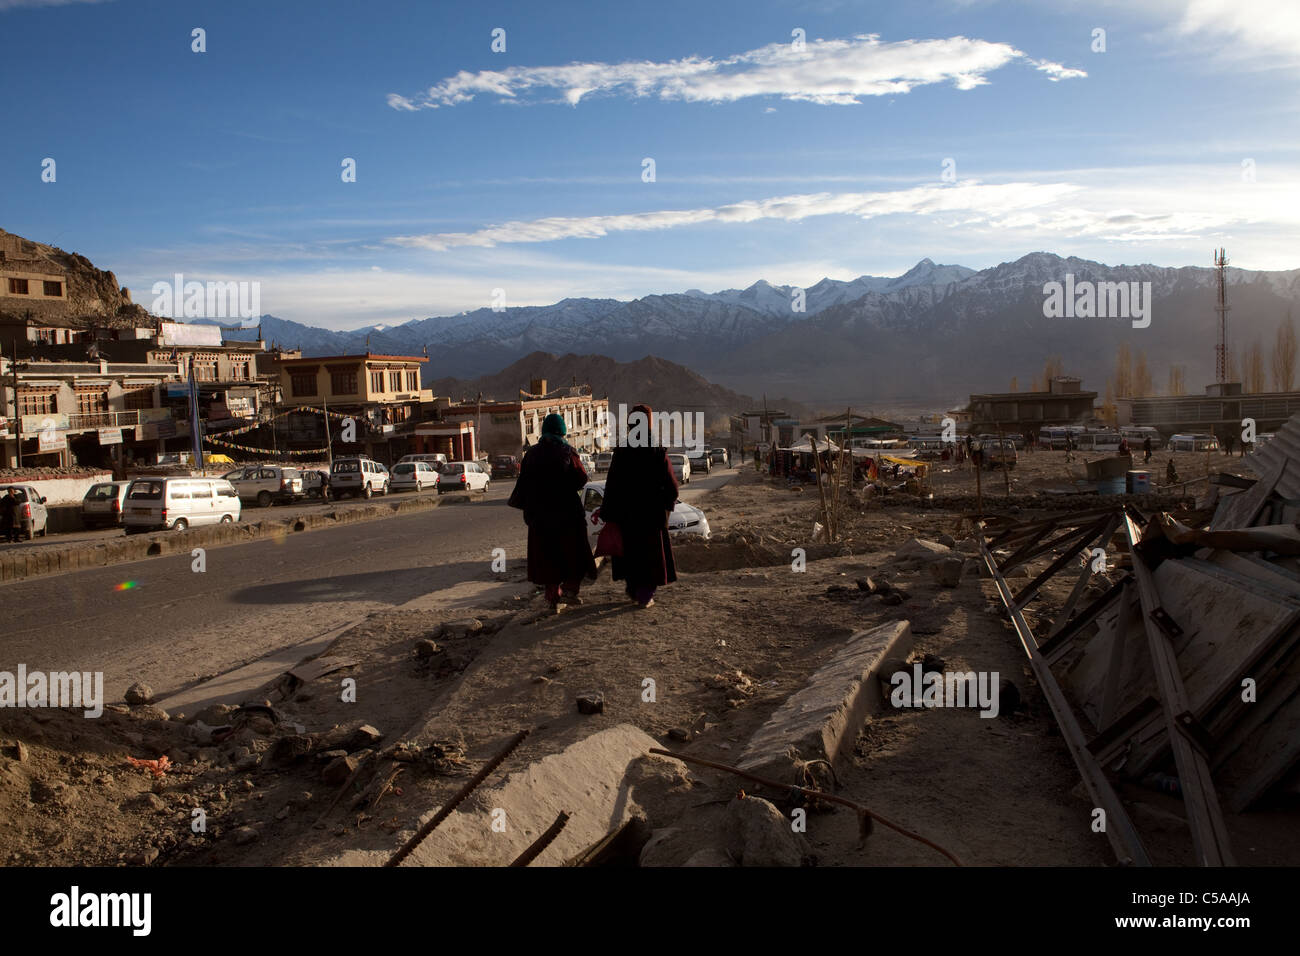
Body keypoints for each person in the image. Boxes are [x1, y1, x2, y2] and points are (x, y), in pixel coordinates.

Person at [508, 413, 597, 612]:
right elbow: (581, 479)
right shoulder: (568, 452)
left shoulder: (532, 454)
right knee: (573, 553)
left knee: (547, 558)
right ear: (562, 431)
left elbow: (523, 485)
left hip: (540, 517)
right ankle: (570, 591)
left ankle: (552, 599)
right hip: (567, 515)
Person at [599, 404, 679, 609]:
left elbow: (612, 485)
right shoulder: (657, 451)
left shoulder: (622, 452)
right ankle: (645, 596)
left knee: (631, 555)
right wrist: (666, 506)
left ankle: (635, 591)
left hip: (626, 518)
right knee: (649, 556)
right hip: (651, 517)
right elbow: (671, 486)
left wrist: (609, 512)